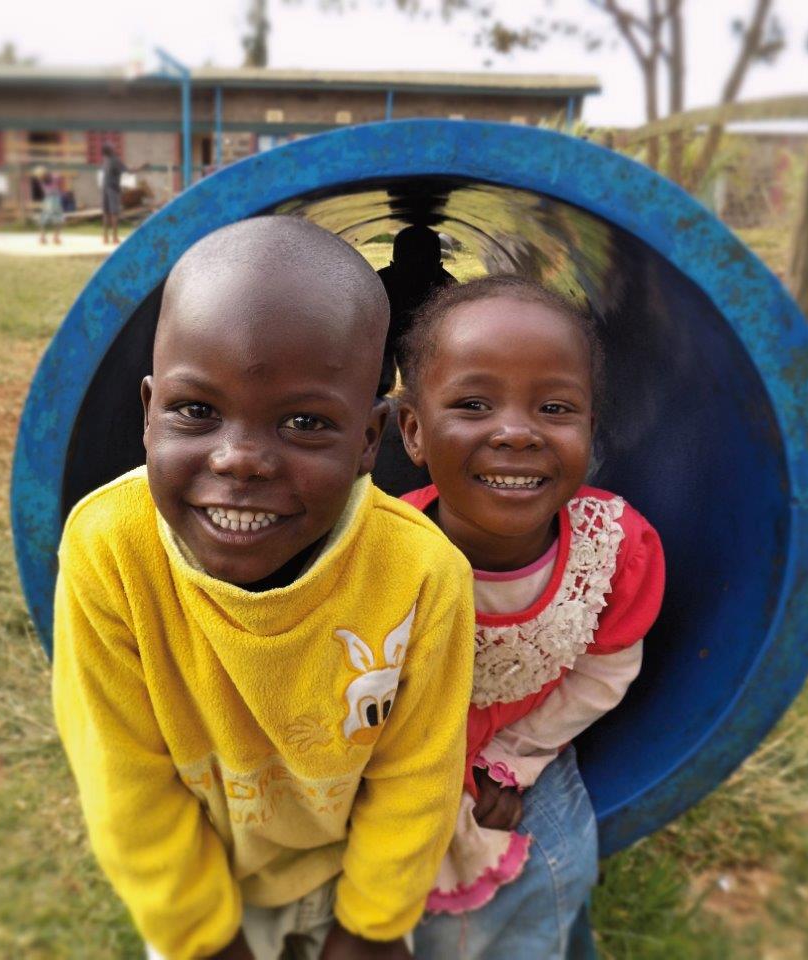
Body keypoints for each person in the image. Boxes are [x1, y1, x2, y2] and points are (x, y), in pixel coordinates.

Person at [53, 216, 476, 960]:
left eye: (305, 422)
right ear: (148, 412)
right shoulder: (109, 552)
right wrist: (205, 937)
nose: (241, 460)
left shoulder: (421, 575)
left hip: (352, 869)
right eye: (196, 411)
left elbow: (419, 775)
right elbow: (124, 781)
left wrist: (372, 927)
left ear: (370, 441)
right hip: (207, 878)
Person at [394, 276, 666, 959]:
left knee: (544, 878)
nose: (516, 433)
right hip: (399, 763)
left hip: (526, 741)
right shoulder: (384, 557)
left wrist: (514, 761)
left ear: (590, 432)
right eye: (474, 404)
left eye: (553, 407)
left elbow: (605, 671)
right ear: (412, 431)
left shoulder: (611, 553)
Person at [375, 226, 456, 397]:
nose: (415, 275)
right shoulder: (380, 284)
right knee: (381, 382)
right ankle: (385, 384)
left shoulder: (447, 288)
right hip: (386, 333)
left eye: (422, 267)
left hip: (423, 337)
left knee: (419, 381)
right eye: (410, 267)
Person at [100, 142, 127, 245]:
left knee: (106, 213)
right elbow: (128, 170)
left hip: (105, 188)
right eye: (112, 147)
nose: (114, 148)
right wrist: (141, 168)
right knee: (114, 213)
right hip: (113, 189)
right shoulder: (115, 160)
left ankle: (105, 237)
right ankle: (115, 238)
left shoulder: (105, 160)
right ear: (110, 150)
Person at [35, 165, 65, 245]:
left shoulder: (44, 180)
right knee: (57, 218)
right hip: (53, 199)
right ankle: (54, 237)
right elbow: (59, 178)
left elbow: (59, 179)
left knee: (45, 218)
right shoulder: (50, 178)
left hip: (48, 199)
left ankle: (43, 237)